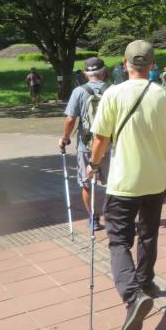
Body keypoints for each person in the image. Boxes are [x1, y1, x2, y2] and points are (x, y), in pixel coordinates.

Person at [88, 40, 166, 330]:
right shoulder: (164, 95)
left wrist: (93, 166)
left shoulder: (113, 93)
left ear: (124, 65)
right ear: (153, 65)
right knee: (149, 233)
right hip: (155, 180)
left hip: (123, 182)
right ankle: (146, 283)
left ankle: (133, 295)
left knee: (118, 241)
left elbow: (100, 138)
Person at [58, 57, 111, 231]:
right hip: (111, 145)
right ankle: (115, 217)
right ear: (104, 71)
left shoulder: (79, 91)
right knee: (115, 183)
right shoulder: (113, 90)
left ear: (85, 73)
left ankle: (94, 219)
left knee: (87, 184)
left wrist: (65, 138)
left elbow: (71, 119)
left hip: (86, 145)